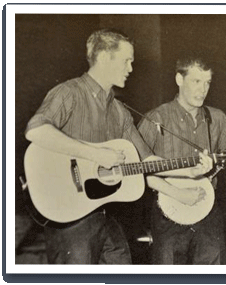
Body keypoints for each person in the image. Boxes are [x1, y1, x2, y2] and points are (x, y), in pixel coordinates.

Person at [24, 29, 213, 264]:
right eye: (126, 61)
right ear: (104, 58)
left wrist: (189, 170)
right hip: (69, 217)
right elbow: (36, 130)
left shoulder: (120, 111)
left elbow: (147, 162)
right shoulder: (69, 93)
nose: (131, 69)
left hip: (104, 215)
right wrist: (95, 154)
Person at [137, 57, 226, 264]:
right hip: (167, 213)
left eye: (207, 82)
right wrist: (179, 193)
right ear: (179, 79)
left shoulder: (216, 118)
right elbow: (139, 172)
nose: (203, 89)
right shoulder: (155, 118)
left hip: (207, 210)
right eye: (196, 81)